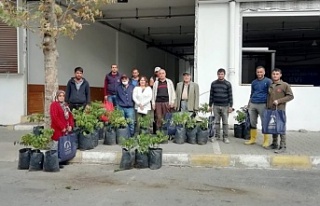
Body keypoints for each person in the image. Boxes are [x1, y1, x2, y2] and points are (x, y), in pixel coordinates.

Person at [266, 68, 294, 153]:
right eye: (274, 74)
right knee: (273, 127)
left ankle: (283, 146)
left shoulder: (285, 85)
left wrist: (279, 101)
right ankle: (274, 144)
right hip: (271, 109)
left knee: (281, 127)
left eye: (277, 74)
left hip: (280, 109)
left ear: (280, 75)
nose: (275, 75)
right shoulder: (271, 85)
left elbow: (290, 96)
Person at [245, 66, 272, 148]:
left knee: (264, 122)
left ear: (264, 72)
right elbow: (252, 93)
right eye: (258, 72)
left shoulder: (268, 81)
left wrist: (269, 105)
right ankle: (252, 139)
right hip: (253, 103)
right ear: (256, 73)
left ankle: (266, 140)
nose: (259, 74)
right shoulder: (253, 82)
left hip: (263, 104)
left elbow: (270, 94)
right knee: (252, 122)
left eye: (261, 72)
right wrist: (249, 103)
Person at [209, 68, 233, 144]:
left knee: (225, 122)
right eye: (219, 74)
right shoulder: (213, 83)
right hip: (216, 105)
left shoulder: (228, 84)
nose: (220, 75)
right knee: (216, 122)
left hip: (225, 106)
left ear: (224, 75)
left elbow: (230, 95)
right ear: (217, 75)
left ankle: (225, 137)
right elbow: (211, 95)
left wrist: (230, 106)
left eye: (222, 74)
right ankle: (217, 136)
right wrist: (210, 105)